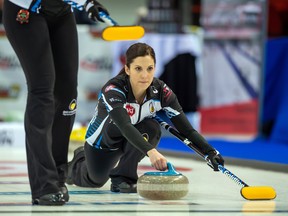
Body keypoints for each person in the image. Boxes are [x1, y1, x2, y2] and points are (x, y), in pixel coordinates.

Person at [66, 42, 225, 193]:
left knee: (152, 127)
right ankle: (75, 163)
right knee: (94, 180)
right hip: (103, 143)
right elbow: (125, 126)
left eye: (150, 68)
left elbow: (187, 130)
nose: (145, 75)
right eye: (138, 68)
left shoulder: (161, 91)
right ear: (127, 69)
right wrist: (151, 152)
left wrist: (210, 152)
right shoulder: (114, 89)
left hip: (133, 139)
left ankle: (123, 178)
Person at [2, 0, 109, 205]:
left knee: (68, 92)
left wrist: (87, 3)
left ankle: (59, 175)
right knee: (42, 90)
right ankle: (44, 184)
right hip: (27, 9)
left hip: (61, 11)